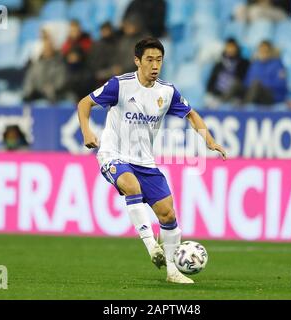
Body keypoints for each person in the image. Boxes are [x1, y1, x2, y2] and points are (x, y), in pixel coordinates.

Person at [77, 37, 227, 284]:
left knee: (168, 215)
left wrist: (209, 141)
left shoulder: (166, 92)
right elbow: (85, 103)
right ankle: (151, 247)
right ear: (137, 61)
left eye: (159, 60)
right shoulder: (120, 85)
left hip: (145, 161)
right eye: (149, 60)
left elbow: (191, 114)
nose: (155, 65)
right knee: (131, 186)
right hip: (113, 154)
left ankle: (172, 271)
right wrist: (86, 131)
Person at [22, 32, 67, 103]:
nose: (47, 49)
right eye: (45, 47)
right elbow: (30, 80)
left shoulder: (59, 64)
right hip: (37, 93)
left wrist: (52, 88)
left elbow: (61, 81)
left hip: (54, 95)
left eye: (49, 46)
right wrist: (29, 91)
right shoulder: (36, 64)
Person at [205, 38, 250, 108]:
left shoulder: (244, 63)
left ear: (237, 48)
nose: (230, 49)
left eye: (232, 47)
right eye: (228, 47)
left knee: (236, 83)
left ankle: (221, 102)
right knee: (209, 99)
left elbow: (243, 81)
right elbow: (211, 81)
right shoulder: (219, 64)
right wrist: (210, 93)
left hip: (235, 96)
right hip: (218, 94)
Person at [243, 40, 287, 106]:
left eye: (265, 51)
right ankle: (223, 109)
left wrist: (261, 85)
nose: (263, 53)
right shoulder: (255, 64)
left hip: (272, 96)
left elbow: (280, 85)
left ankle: (244, 110)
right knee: (236, 83)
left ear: (270, 52)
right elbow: (247, 82)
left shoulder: (278, 64)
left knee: (256, 84)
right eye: (261, 51)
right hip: (255, 93)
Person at [88, 22, 120, 86]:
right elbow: (92, 60)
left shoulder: (117, 43)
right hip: (98, 73)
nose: (105, 32)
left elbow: (118, 59)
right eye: (103, 30)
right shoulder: (97, 44)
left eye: (107, 30)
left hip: (112, 72)